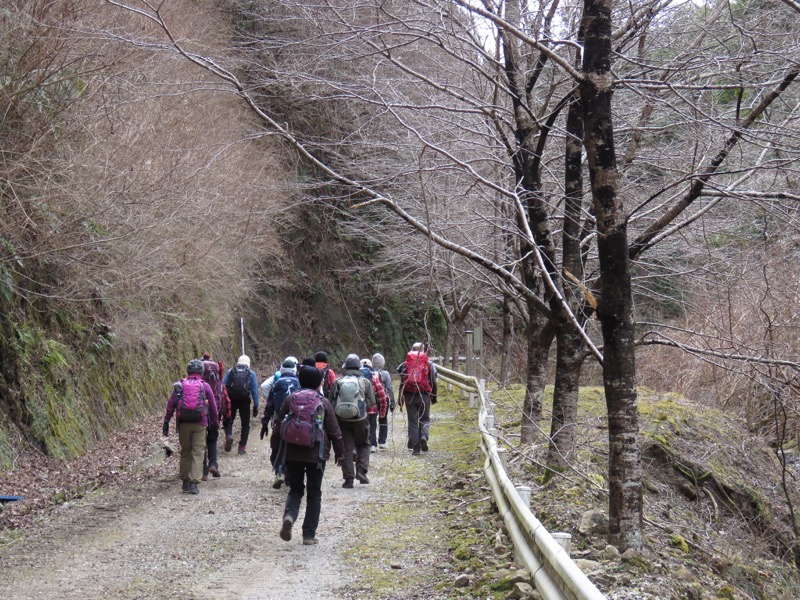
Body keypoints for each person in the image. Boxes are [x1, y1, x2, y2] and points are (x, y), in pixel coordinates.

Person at [277, 364, 344, 545]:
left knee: (296, 490)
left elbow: (278, 426)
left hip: (292, 453)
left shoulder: (290, 399)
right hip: (317, 455)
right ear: (318, 383)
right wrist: (340, 454)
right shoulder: (323, 402)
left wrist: (277, 453)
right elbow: (335, 431)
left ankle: (289, 516)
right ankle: (308, 535)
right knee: (314, 493)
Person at [162, 359, 219, 494]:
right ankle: (194, 483)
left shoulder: (180, 385)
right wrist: (215, 424)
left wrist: (166, 421)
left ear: (188, 371)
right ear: (201, 372)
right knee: (198, 452)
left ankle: (185, 481)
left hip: (183, 423)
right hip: (200, 423)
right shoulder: (204, 386)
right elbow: (213, 407)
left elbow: (171, 404)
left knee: (185, 451)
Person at [329, 354, 375, 488]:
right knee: (364, 443)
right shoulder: (364, 381)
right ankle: (361, 471)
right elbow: (372, 402)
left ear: (345, 367)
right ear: (358, 367)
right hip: (360, 418)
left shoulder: (338, 381)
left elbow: (331, 400)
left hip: (342, 418)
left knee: (346, 448)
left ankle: (348, 479)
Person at [261, 357, 300, 489]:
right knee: (293, 447)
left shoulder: (277, 383)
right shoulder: (299, 383)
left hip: (279, 419)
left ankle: (279, 471)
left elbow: (270, 404)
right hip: (296, 419)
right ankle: (290, 476)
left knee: (277, 446)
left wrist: (265, 422)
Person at [397, 342, 437, 456]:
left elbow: (401, 379)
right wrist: (433, 396)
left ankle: (416, 449)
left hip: (409, 395)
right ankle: (424, 436)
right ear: (423, 350)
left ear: (412, 349)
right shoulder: (428, 364)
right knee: (424, 419)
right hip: (424, 394)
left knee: (413, 422)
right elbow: (433, 381)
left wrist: (401, 397)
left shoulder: (405, 364)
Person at [223, 355, 259, 455]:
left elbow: (223, 385)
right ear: (248, 363)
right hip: (245, 401)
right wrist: (256, 406)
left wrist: (223, 401)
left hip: (231, 399)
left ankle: (229, 435)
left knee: (228, 419)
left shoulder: (231, 371)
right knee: (245, 424)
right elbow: (254, 390)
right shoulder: (251, 373)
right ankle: (242, 447)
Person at [201, 352, 229, 480]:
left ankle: (204, 471)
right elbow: (225, 400)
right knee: (212, 440)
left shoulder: (197, 383)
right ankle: (213, 464)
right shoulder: (219, 384)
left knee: (201, 442)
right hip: (214, 413)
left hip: (199, 414)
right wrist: (224, 416)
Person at [360, 358, 387, 453]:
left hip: (359, 408)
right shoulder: (373, 377)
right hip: (372, 407)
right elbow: (382, 394)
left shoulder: (356, 377)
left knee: (361, 426)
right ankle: (372, 445)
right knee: (372, 425)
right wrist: (383, 409)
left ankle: (361, 445)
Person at [371, 353, 395, 449]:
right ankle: (382, 442)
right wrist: (392, 401)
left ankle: (372, 444)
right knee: (383, 419)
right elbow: (389, 388)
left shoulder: (369, 372)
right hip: (383, 399)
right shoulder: (385, 373)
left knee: (372, 421)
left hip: (372, 399)